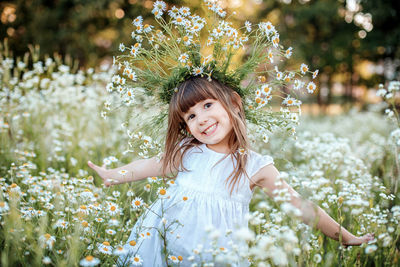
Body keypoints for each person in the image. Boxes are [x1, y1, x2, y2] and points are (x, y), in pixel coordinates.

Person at [88, 76, 374, 266]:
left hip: (216, 256)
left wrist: (345, 236)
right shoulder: (189, 151)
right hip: (165, 250)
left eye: (208, 105)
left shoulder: (255, 166)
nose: (201, 119)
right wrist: (114, 174)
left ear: (233, 103)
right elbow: (148, 166)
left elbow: (300, 206)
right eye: (190, 115)